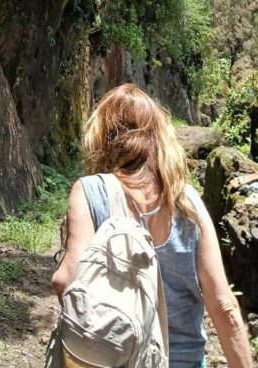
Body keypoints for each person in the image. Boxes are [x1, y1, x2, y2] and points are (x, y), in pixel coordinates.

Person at [51, 84, 254, 368]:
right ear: (159, 138)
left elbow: (65, 280)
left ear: (101, 138)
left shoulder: (91, 192)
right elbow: (224, 307)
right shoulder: (188, 202)